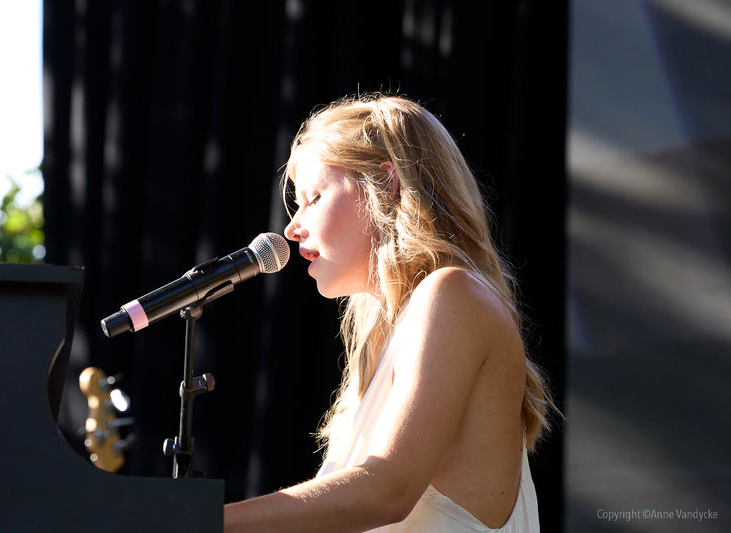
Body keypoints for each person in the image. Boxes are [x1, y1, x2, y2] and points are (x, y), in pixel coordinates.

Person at [224, 94, 556, 532]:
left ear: (386, 184)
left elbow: (387, 491)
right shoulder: (395, 334)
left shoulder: (452, 294)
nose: (290, 227)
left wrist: (200, 520)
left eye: (313, 197)